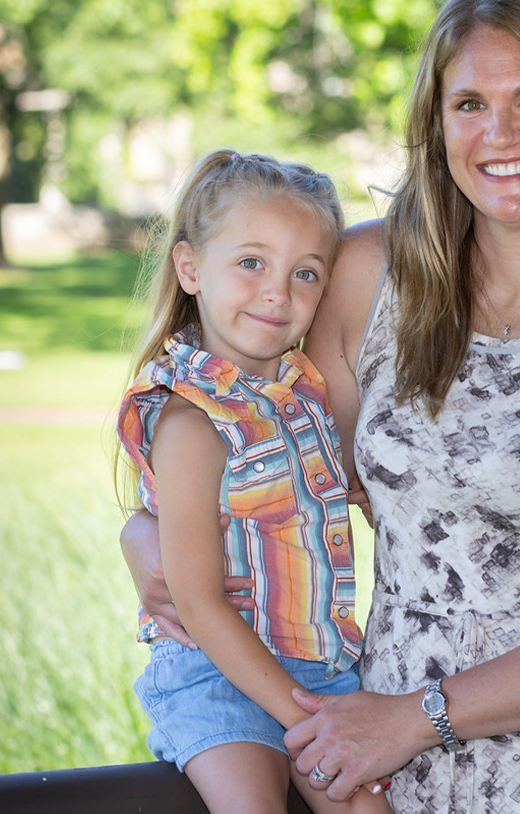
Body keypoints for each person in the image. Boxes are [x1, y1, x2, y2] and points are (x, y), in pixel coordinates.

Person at [123, 0, 520, 813]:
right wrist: (145, 531)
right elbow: (273, 457)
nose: (499, 133)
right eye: (468, 104)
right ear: (435, 122)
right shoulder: (368, 277)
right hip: (389, 774)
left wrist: (418, 718)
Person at [114, 148, 393, 814]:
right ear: (189, 268)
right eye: (250, 263)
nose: (278, 291)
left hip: (319, 664)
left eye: (305, 274)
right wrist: (309, 716)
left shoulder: (307, 399)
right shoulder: (191, 423)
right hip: (216, 672)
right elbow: (200, 604)